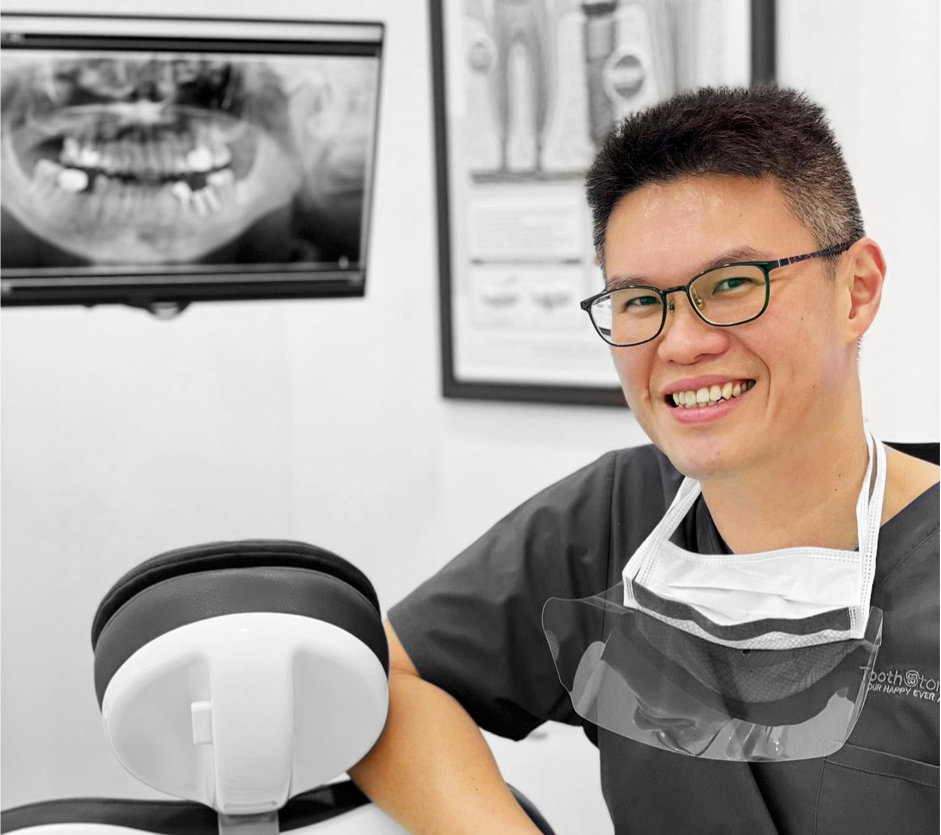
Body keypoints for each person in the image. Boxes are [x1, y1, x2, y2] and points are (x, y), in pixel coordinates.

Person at [349, 87, 940, 834]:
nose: (681, 343)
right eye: (637, 301)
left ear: (855, 291)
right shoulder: (614, 518)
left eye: (732, 284)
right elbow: (386, 679)